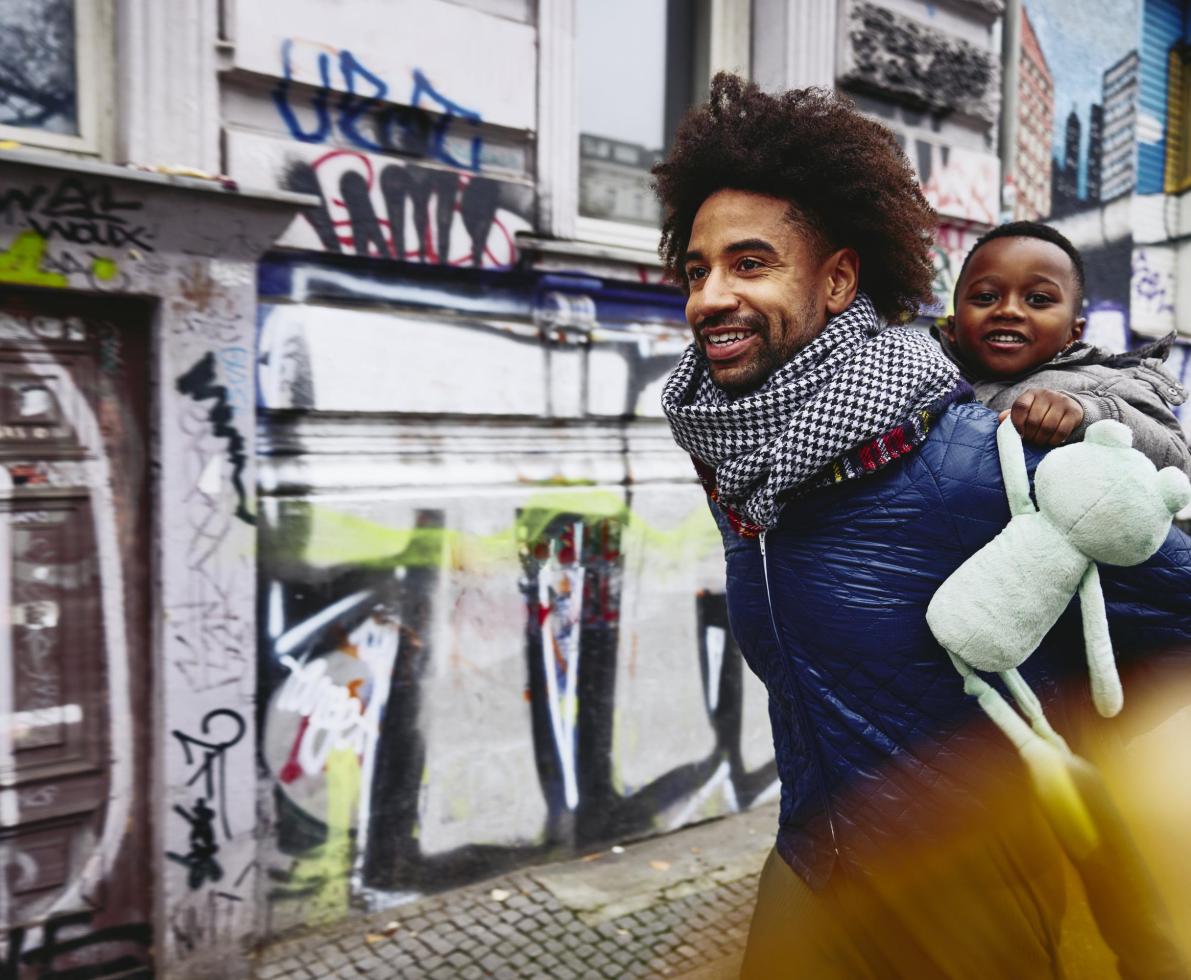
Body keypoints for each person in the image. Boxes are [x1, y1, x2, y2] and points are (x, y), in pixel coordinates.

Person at [655, 74, 1191, 978]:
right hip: (809, 883)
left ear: (836, 280)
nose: (708, 298)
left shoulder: (981, 467)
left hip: (967, 926)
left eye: (749, 264)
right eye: (695, 270)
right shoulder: (750, 475)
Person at [940, 220, 1191, 475]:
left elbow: (1181, 463)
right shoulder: (927, 383)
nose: (1009, 310)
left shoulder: (1102, 383)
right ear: (951, 326)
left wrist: (1089, 416)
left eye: (1038, 299)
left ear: (1074, 332)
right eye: (986, 297)